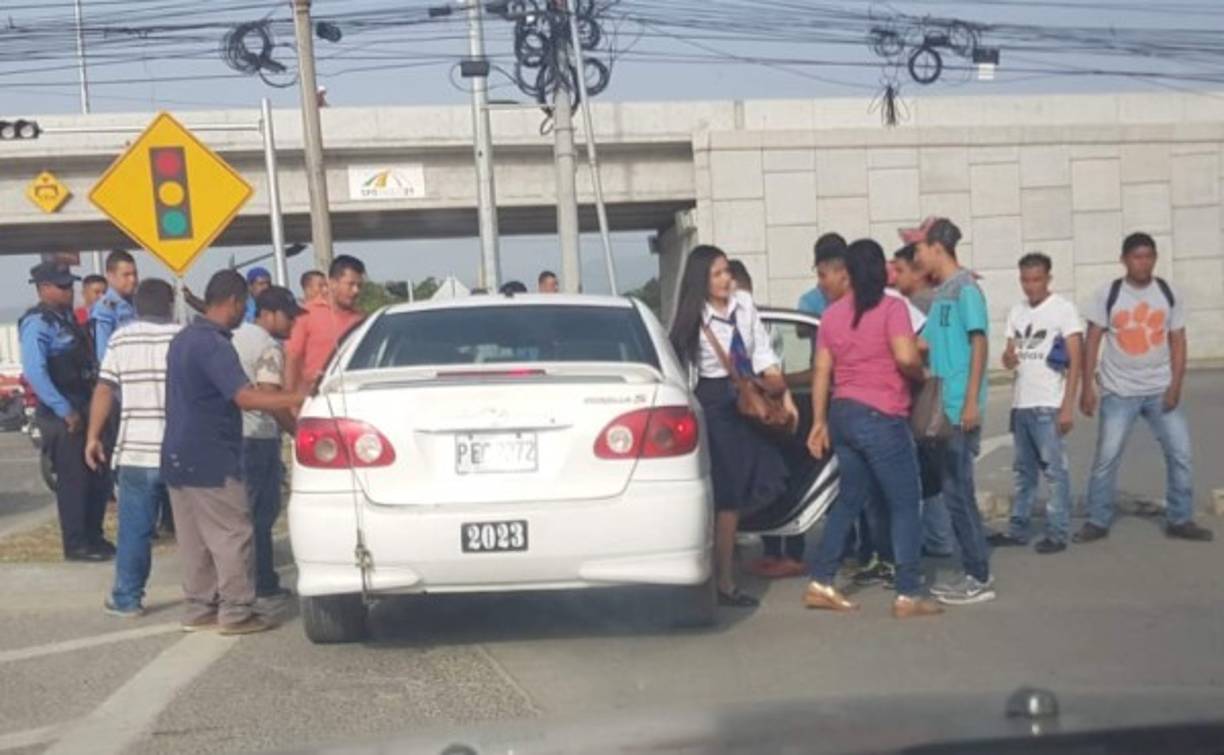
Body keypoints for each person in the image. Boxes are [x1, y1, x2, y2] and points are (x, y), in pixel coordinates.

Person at [161, 270, 307, 635]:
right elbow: (244, 396)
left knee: (194, 538)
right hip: (212, 453)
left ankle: (200, 606)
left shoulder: (183, 339)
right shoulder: (213, 343)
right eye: (244, 303)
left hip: (178, 452)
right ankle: (237, 611)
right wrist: (296, 397)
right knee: (232, 533)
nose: (245, 311)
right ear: (234, 302)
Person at [803, 240, 942, 619]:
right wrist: (919, 371)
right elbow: (904, 356)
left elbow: (821, 371)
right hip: (882, 415)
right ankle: (908, 592)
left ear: (848, 272)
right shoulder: (891, 308)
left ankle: (821, 580)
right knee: (904, 502)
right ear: (881, 271)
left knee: (850, 497)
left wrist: (818, 422)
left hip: (843, 413)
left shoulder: (832, 316)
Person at [669, 245, 797, 607]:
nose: (726, 279)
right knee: (727, 496)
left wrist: (783, 395)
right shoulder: (693, 318)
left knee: (767, 475)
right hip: (714, 402)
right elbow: (681, 371)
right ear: (702, 281)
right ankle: (722, 580)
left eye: (727, 272)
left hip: (749, 395)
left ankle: (724, 561)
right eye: (717, 274)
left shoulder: (744, 304)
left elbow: (762, 353)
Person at [1076, 233, 1213, 543]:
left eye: (1149, 256)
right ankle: (1098, 520)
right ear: (1124, 260)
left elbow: (1178, 340)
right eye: (1137, 257)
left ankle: (1180, 518)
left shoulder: (1168, 292)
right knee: (1107, 457)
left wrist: (1176, 385)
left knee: (1180, 454)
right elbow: (1092, 341)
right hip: (1118, 391)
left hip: (1159, 389)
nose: (1144, 262)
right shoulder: (1108, 294)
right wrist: (1087, 387)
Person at [84, 279, 180, 617]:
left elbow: (105, 389)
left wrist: (93, 436)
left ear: (137, 306)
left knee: (135, 530)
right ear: (170, 305)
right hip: (179, 450)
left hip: (136, 451)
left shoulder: (120, 338)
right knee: (195, 529)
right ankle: (207, 596)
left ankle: (127, 598)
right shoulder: (181, 337)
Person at [914, 218, 995, 605]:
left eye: (920, 249)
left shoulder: (966, 290)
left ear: (937, 248)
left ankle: (979, 575)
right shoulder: (942, 293)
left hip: (959, 408)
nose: (917, 257)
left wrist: (969, 403)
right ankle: (970, 570)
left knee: (960, 492)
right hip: (941, 408)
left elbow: (978, 343)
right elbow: (924, 344)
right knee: (951, 491)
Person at [987, 253, 1084, 554]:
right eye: (1026, 280)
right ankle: (1018, 529)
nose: (1031, 286)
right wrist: (1008, 358)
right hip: (1022, 403)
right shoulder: (1017, 312)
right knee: (1024, 472)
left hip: (1048, 403)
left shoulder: (1063, 310)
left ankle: (1057, 531)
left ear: (1048, 279)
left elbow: (1076, 359)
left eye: (1037, 279)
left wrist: (1068, 405)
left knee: (1055, 471)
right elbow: (1008, 355)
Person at [20, 262, 112, 562]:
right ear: (43, 288)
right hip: (62, 410)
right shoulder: (38, 323)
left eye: (69, 285)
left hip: (84, 402)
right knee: (74, 480)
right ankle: (76, 544)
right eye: (61, 286)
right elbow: (36, 371)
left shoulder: (67, 318)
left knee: (97, 473)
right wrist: (64, 410)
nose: (68, 291)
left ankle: (94, 536)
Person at [726, 260, 807, 580]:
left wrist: (784, 400)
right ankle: (775, 549)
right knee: (768, 482)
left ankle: (787, 551)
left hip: (765, 412)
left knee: (779, 481)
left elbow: (771, 370)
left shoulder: (758, 324)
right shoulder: (741, 323)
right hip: (757, 413)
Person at [232, 287, 305, 602]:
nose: (292, 325)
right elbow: (269, 397)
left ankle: (242, 581)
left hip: (233, 436)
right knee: (262, 514)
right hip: (259, 438)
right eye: (289, 317)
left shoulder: (234, 336)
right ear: (270, 314)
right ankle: (263, 582)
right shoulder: (268, 346)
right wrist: (295, 430)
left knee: (239, 514)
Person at [893, 243, 954, 559]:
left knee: (926, 474)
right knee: (934, 473)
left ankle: (937, 539)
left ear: (917, 272)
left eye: (900, 270)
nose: (894, 276)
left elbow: (926, 348)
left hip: (926, 395)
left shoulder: (920, 305)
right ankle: (940, 537)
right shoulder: (933, 302)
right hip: (936, 396)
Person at [285, 255, 367, 393]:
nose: (356, 291)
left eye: (359, 285)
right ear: (332, 283)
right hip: (315, 398)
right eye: (351, 284)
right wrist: (291, 402)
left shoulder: (361, 320)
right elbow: (292, 359)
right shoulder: (306, 314)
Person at [89, 249, 139, 361]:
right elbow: (103, 354)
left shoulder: (136, 303)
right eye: (126, 275)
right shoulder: (105, 309)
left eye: (135, 274)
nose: (133, 280)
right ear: (110, 276)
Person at [797, 233, 847, 316]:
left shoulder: (859, 302)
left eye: (822, 275)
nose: (820, 283)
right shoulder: (809, 303)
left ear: (843, 271)